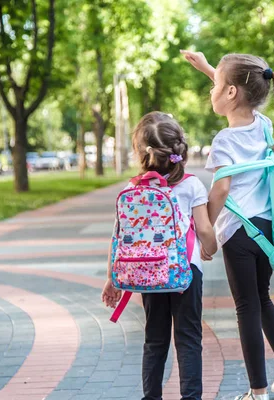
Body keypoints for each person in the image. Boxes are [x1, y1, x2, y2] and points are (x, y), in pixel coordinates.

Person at [181, 50, 274, 400]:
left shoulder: (224, 141)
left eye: (217, 85)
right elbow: (242, 98)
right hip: (266, 230)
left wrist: (206, 232)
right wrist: (210, 70)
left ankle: (258, 392)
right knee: (262, 299)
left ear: (231, 91)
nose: (213, 90)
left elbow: (221, 189)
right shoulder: (263, 126)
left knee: (246, 307)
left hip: (237, 233)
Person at [101, 111, 217, 400]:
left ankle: (150, 397)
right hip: (184, 273)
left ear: (141, 153)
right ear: (178, 148)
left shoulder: (132, 189)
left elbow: (118, 238)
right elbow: (204, 229)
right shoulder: (191, 185)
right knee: (188, 339)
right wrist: (210, 249)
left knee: (155, 339)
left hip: (148, 274)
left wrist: (112, 279)